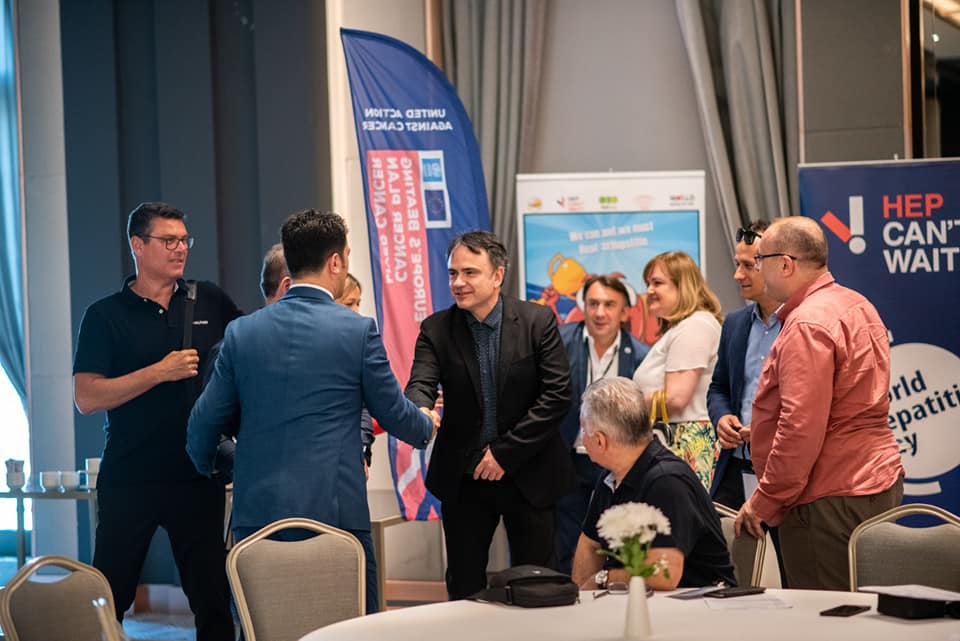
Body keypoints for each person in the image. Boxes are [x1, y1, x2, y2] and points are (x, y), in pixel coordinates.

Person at [187, 209, 438, 614]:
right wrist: (425, 425)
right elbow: (394, 414)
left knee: (264, 626)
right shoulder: (357, 330)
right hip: (335, 517)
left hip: (258, 515)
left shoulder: (241, 333)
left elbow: (202, 425)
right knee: (348, 627)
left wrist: (216, 467)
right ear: (335, 261)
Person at [73, 202, 239, 641]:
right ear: (138, 245)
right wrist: (159, 372)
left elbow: (250, 352)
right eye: (168, 240)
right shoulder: (105, 316)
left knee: (213, 600)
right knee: (109, 597)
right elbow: (86, 397)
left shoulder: (210, 300)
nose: (180, 249)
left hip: (197, 475)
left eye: (184, 240)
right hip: (130, 476)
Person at [734, 216, 904, 591]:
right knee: (865, 609)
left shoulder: (807, 324)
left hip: (827, 495)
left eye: (759, 260)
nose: (754, 270)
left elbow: (800, 429)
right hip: (877, 480)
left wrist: (764, 501)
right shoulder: (857, 305)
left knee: (824, 614)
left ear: (785, 264)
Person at [405, 230, 575, 599]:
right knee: (464, 584)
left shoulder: (537, 321)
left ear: (497, 275)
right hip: (464, 477)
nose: (458, 283)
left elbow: (557, 396)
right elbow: (420, 383)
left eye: (470, 272)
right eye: (453, 273)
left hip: (529, 472)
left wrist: (503, 453)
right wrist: (420, 409)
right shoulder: (436, 329)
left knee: (539, 584)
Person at [571, 377, 736, 590]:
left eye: (584, 430)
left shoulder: (667, 482)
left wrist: (602, 579)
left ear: (600, 441)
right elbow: (590, 544)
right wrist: (580, 597)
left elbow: (662, 574)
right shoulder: (610, 477)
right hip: (640, 599)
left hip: (697, 601)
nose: (582, 438)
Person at [554, 275, 648, 574]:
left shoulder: (641, 355)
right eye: (593, 304)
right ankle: (571, 595)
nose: (600, 312)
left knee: (615, 539)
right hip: (569, 459)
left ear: (624, 312)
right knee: (568, 541)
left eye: (609, 304)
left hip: (615, 462)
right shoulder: (559, 341)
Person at [631, 251, 723, 490]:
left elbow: (675, 398)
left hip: (687, 442)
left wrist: (625, 406)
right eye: (648, 283)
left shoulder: (695, 325)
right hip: (677, 440)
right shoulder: (683, 327)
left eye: (657, 283)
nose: (649, 290)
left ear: (683, 286)